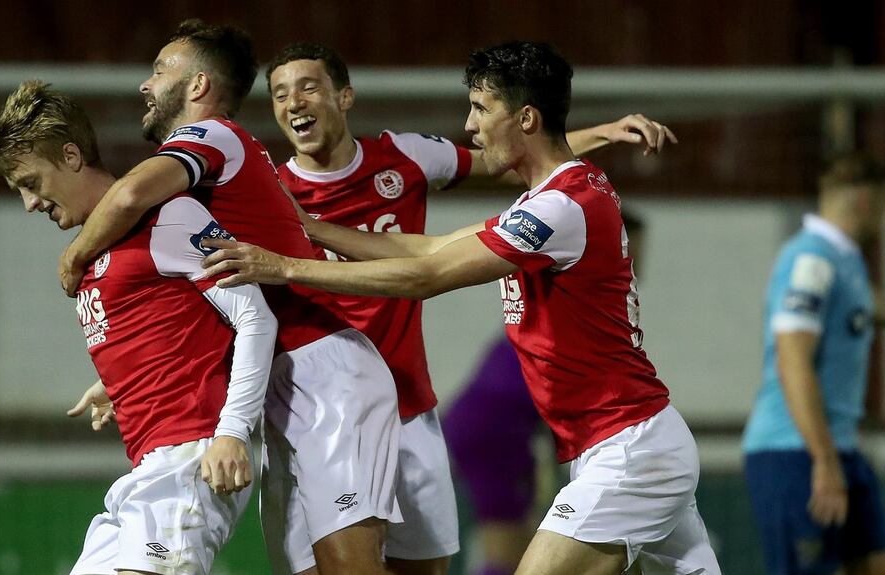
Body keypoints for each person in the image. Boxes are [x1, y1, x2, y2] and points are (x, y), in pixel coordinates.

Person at [201, 41, 722, 574]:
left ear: (524, 118)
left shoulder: (561, 207)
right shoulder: (547, 200)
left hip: (627, 448)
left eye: (481, 109)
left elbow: (428, 275)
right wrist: (310, 231)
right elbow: (428, 246)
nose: (470, 126)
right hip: (624, 442)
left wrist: (286, 266)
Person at [56, 21, 403, 575]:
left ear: (197, 86)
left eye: (160, 70)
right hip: (284, 384)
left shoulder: (213, 135)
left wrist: (76, 255)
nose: (146, 84)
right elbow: (203, 298)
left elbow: (125, 195)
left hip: (325, 371)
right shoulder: (217, 166)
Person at [0, 80, 278, 575]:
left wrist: (232, 432)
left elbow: (254, 317)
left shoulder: (170, 217)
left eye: (32, 183)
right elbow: (175, 328)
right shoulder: (99, 251)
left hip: (190, 458)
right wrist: (119, 383)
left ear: (72, 156)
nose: (29, 204)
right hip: (147, 471)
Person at [443, 211, 647, 575]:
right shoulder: (579, 305)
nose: (637, 264)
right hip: (492, 430)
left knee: (519, 548)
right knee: (507, 548)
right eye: (631, 251)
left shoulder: (580, 305)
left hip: (493, 427)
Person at [742, 155, 885, 575]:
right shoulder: (810, 260)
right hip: (796, 453)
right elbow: (793, 359)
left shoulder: (845, 261)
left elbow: (863, 307)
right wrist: (822, 459)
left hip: (840, 449)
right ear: (864, 201)